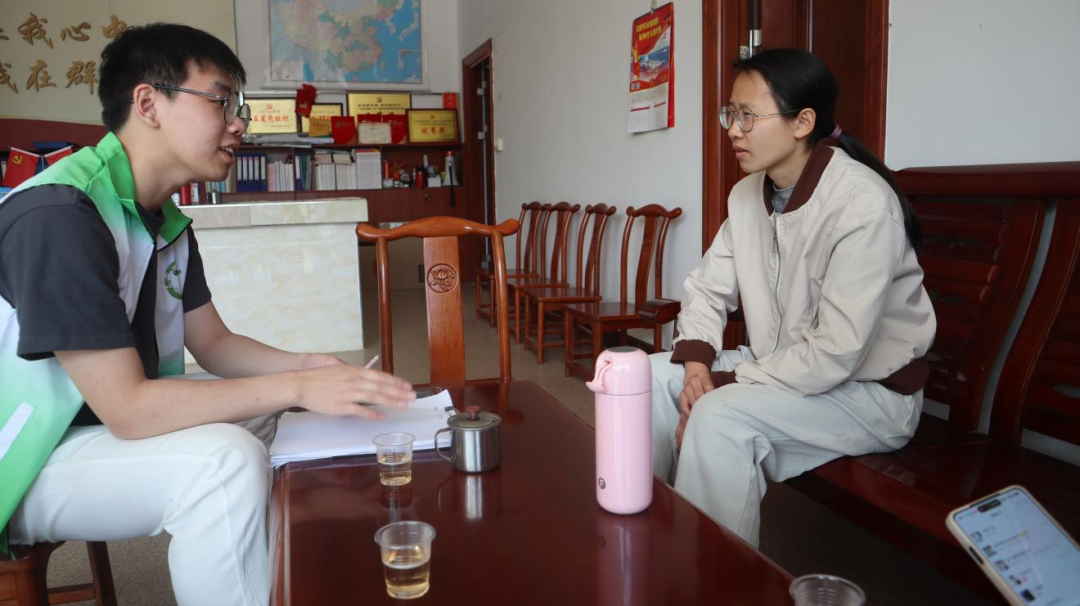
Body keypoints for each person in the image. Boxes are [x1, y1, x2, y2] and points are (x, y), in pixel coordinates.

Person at [0, 23, 415, 605]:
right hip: (23, 460)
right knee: (225, 461)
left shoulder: (164, 220)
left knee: (276, 416)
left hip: (88, 426)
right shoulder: (62, 214)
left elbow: (214, 343)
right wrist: (297, 384)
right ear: (148, 104)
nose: (239, 122)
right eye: (221, 101)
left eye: (237, 106)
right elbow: (129, 409)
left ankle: (291, 578)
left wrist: (309, 369)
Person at [650, 48, 936, 548]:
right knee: (646, 378)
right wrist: (697, 369)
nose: (733, 130)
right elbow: (707, 288)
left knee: (719, 416)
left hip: (868, 393)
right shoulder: (747, 196)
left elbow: (837, 351)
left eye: (748, 116)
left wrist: (722, 383)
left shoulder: (862, 203)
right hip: (779, 368)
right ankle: (643, 530)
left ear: (803, 122)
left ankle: (714, 576)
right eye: (730, 113)